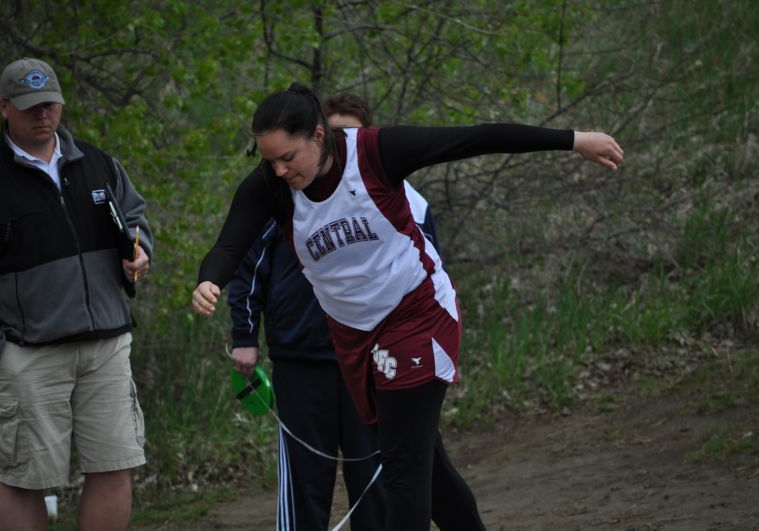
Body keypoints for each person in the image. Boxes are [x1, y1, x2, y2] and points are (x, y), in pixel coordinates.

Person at [193, 83, 623, 530]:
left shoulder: (376, 152)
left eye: (287, 157)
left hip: (417, 312)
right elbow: (229, 245)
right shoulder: (271, 187)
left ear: (318, 136)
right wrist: (209, 280)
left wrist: (573, 139)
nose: (279, 170)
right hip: (355, 335)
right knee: (429, 470)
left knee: (400, 469)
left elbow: (474, 138)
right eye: (270, 160)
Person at [228, 93, 444, 530]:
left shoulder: (401, 196)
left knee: (376, 480)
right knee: (306, 482)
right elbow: (246, 266)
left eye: (352, 134)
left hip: (376, 358)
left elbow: (426, 273)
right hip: (301, 357)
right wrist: (244, 335)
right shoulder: (280, 194)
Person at [0, 58, 151, 531]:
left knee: (114, 465)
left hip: (107, 344)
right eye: (29, 107)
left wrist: (141, 250)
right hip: (28, 353)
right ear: (3, 107)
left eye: (50, 104)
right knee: (26, 479)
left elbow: (136, 220)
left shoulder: (98, 162)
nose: (42, 115)